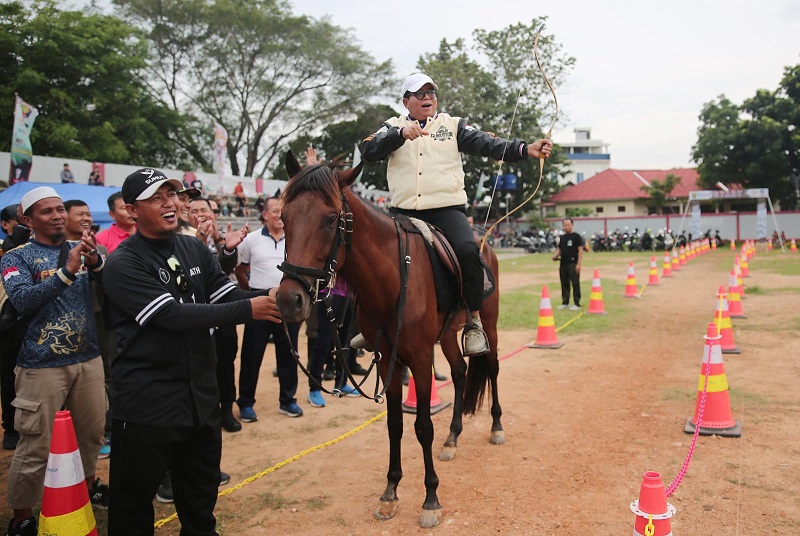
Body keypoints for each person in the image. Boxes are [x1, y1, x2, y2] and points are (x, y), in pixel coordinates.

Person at [103, 168, 281, 535]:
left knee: (200, 497)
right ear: (132, 210)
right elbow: (171, 315)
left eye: (172, 194)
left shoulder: (193, 246)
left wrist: (269, 299)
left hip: (200, 398)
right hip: (147, 404)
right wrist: (251, 309)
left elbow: (222, 293)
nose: (169, 203)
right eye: (156, 197)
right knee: (133, 504)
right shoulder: (124, 262)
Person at [361, 72, 553, 356]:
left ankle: (473, 321)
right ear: (406, 102)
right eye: (420, 94)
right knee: (367, 256)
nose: (427, 98)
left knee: (467, 250)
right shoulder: (392, 126)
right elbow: (367, 149)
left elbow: (489, 144)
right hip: (402, 214)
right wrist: (399, 135)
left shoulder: (452, 125)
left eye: (431, 93)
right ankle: (370, 324)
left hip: (446, 211)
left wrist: (525, 149)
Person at [1, 187, 108, 536]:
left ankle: (88, 489)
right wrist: (66, 271)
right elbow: (21, 300)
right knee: (35, 444)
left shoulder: (79, 250)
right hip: (40, 365)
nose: (58, 215)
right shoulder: (16, 257)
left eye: (60, 209)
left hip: (88, 359)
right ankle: (21, 517)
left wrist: (93, 264)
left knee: (92, 433)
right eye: (47, 211)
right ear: (27, 220)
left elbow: (107, 290)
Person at [234, 196, 302, 420]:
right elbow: (240, 271)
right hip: (259, 304)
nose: (279, 215)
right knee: (252, 356)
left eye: (283, 211)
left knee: (289, 354)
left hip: (286, 305)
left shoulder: (295, 239)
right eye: (275, 211)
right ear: (264, 215)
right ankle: (245, 403)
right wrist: (252, 294)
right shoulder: (251, 240)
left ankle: (288, 400)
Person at [552, 217, 584, 310]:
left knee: (575, 283)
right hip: (563, 264)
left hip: (573, 263)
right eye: (565, 225)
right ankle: (565, 302)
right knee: (564, 283)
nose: (567, 227)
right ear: (563, 226)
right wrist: (555, 256)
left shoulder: (576, 237)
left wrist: (579, 264)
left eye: (568, 225)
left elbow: (580, 250)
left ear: (572, 225)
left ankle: (577, 303)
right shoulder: (562, 238)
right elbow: (560, 249)